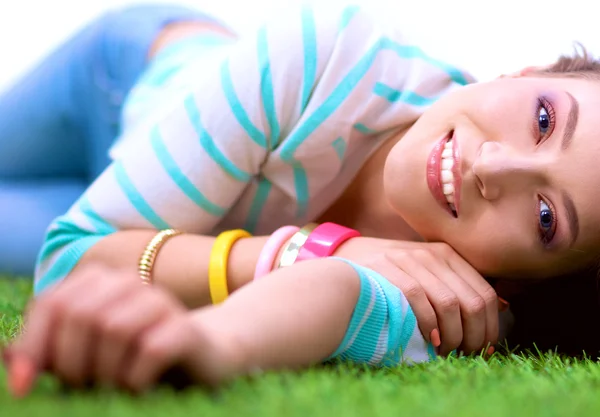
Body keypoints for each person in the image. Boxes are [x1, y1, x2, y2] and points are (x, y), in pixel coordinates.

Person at [3, 2, 600, 397]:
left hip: (123, 216)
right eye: (544, 118)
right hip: (121, 79)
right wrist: (314, 249)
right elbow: (71, 262)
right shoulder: (327, 52)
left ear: (520, 283)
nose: (493, 167)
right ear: (520, 75)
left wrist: (218, 339)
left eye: (546, 218)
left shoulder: (452, 295)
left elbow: (70, 268)